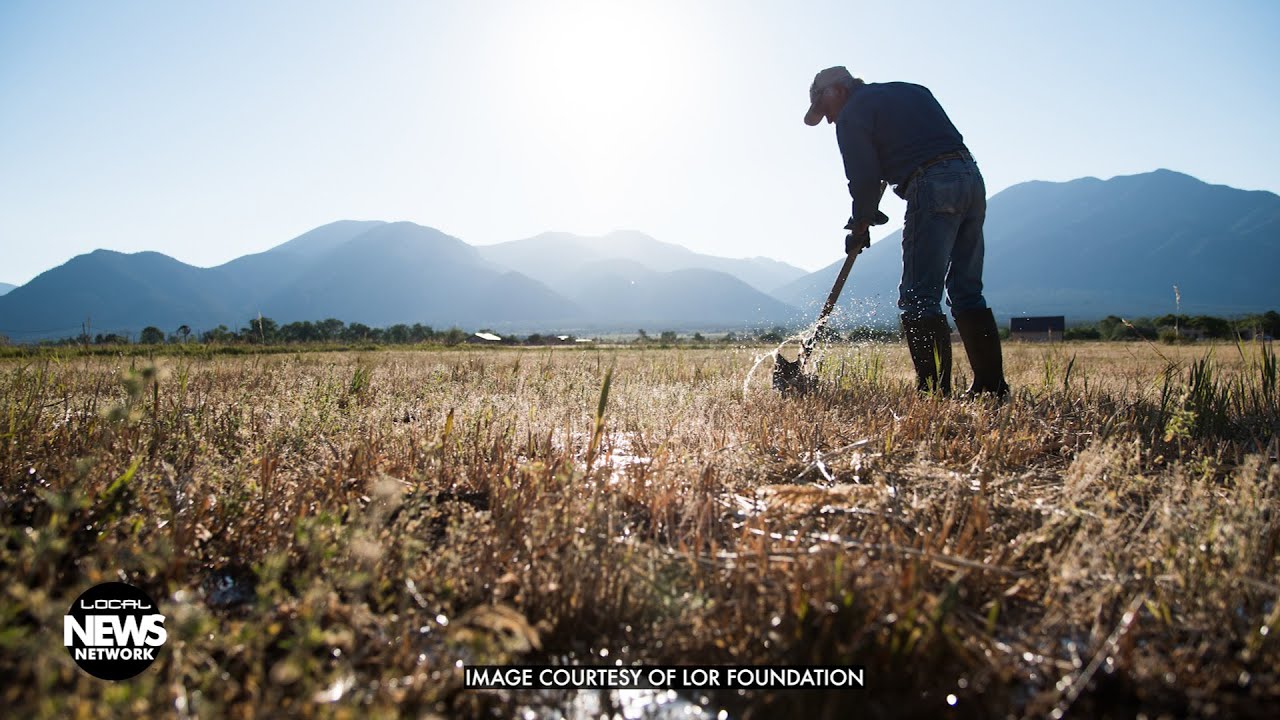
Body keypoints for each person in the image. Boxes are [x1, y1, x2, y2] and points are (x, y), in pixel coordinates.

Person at [804, 66, 1008, 398]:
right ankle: (991, 387)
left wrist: (860, 224)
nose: (828, 120)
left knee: (918, 296)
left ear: (837, 91)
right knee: (966, 290)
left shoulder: (852, 113)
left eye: (825, 110)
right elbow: (916, 143)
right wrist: (868, 213)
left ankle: (933, 394)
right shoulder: (912, 90)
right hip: (970, 178)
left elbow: (864, 178)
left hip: (931, 184)